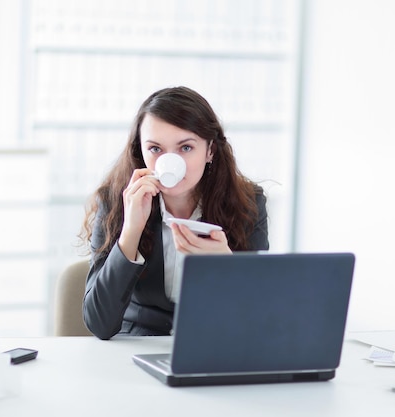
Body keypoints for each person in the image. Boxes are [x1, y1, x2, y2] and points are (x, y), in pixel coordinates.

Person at [80, 86, 269, 340]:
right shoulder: (116, 200)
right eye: (156, 149)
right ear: (141, 152)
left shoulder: (248, 203)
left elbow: (260, 315)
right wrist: (131, 232)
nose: (170, 162)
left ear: (210, 150)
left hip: (213, 342)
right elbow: (99, 324)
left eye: (186, 148)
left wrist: (228, 265)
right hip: (138, 346)